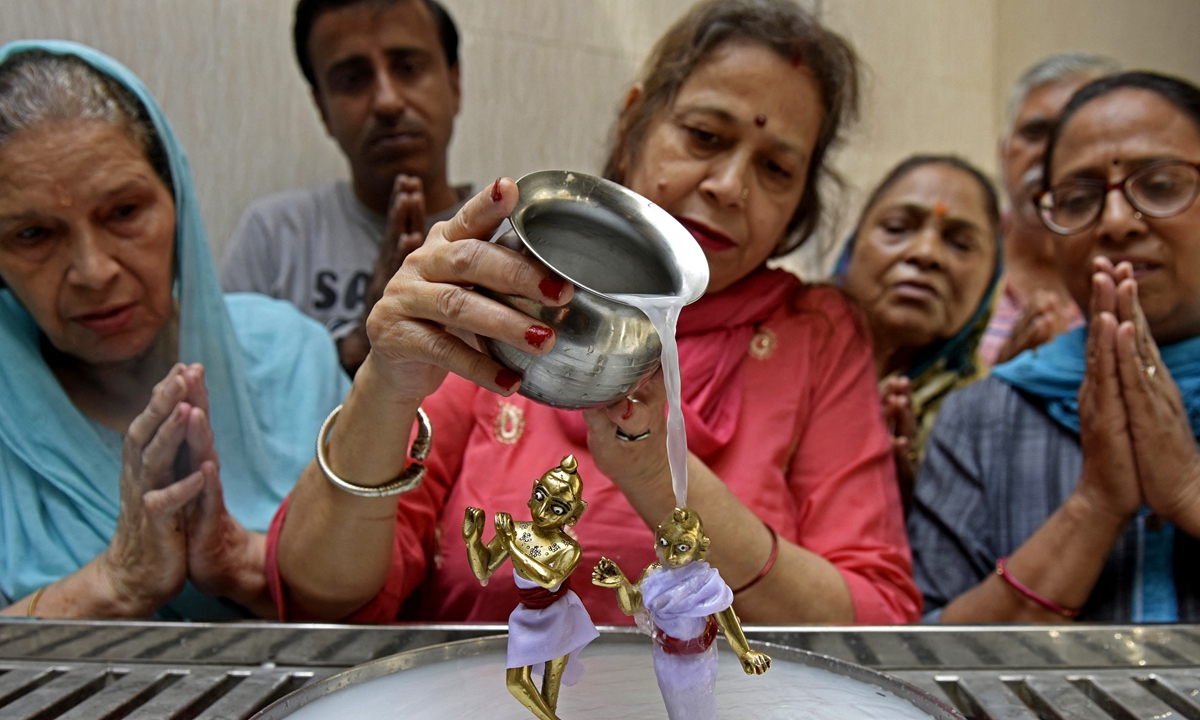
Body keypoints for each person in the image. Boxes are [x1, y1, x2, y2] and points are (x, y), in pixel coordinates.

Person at [269, 0, 921, 627]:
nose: (729, 186)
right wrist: (386, 384)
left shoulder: (816, 337)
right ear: (635, 122)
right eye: (703, 136)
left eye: (776, 167)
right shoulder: (509, 291)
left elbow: (872, 623)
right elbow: (323, 595)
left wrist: (657, 480)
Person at [0, 42, 349, 620]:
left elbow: (399, 597)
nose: (94, 271)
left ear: (176, 202)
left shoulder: (292, 360)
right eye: (34, 235)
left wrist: (241, 566)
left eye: (124, 212)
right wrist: (116, 583)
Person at [909, 72, 1200, 623]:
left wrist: (1188, 490)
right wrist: (1094, 505)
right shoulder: (981, 417)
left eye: (1161, 186)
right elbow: (927, 660)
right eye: (1078, 197)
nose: (1115, 222)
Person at [220, 0, 470, 375]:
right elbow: (232, 399)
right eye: (353, 79)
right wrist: (358, 346)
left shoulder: (508, 238)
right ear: (322, 108)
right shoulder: (273, 237)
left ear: (454, 82)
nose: (387, 101)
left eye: (409, 68)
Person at [839, 156, 1002, 509]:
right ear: (852, 247)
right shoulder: (773, 359)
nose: (926, 253)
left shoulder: (994, 423)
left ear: (992, 279)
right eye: (897, 228)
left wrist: (919, 506)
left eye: (960, 244)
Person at [978, 53, 1120, 367]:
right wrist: (997, 385)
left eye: (1078, 133)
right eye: (1035, 132)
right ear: (1003, 153)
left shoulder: (1144, 272)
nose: (1052, 153)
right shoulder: (952, 257)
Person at [592, 507, 771, 720]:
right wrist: (620, 583)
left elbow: (725, 616)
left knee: (701, 707)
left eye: (683, 547)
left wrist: (744, 652)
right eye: (666, 544)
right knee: (676, 708)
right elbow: (633, 605)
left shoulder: (705, 581)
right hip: (666, 656)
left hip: (700, 656)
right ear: (657, 537)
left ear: (700, 547)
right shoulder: (654, 575)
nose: (672, 555)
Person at [464, 455, 598, 720]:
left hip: (560, 614)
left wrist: (512, 545)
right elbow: (484, 569)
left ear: (576, 512)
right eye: (540, 496)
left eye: (557, 508)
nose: (543, 510)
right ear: (533, 490)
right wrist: (472, 540)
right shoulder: (517, 531)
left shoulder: (568, 548)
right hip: (526, 615)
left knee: (550, 689)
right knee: (516, 681)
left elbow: (550, 580)